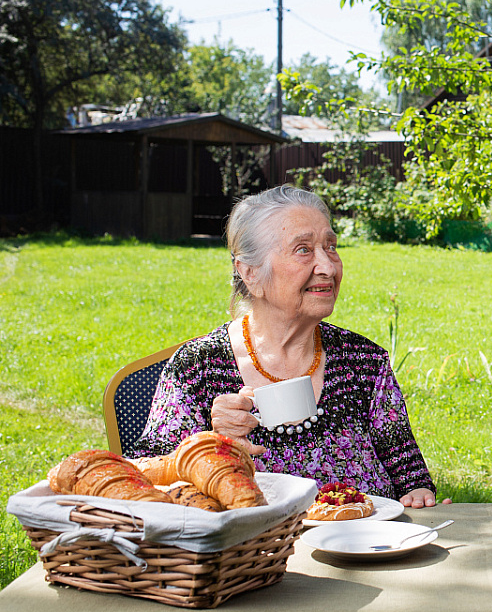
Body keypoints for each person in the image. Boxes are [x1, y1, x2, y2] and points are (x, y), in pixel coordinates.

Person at [130, 186, 447, 508]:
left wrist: (419, 497)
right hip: (253, 553)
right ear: (250, 272)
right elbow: (143, 481)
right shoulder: (200, 367)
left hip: (364, 546)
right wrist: (212, 444)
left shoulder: (364, 362)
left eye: (331, 246)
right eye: (303, 250)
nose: (328, 267)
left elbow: (411, 479)